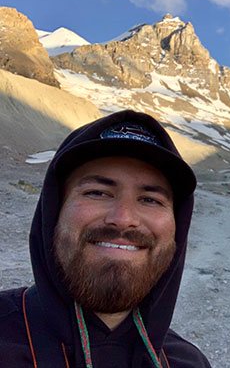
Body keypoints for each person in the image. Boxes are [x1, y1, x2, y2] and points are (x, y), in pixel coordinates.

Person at [0, 110, 211, 367]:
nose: (123, 219)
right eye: (97, 193)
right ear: (54, 211)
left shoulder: (189, 362)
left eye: (150, 200)